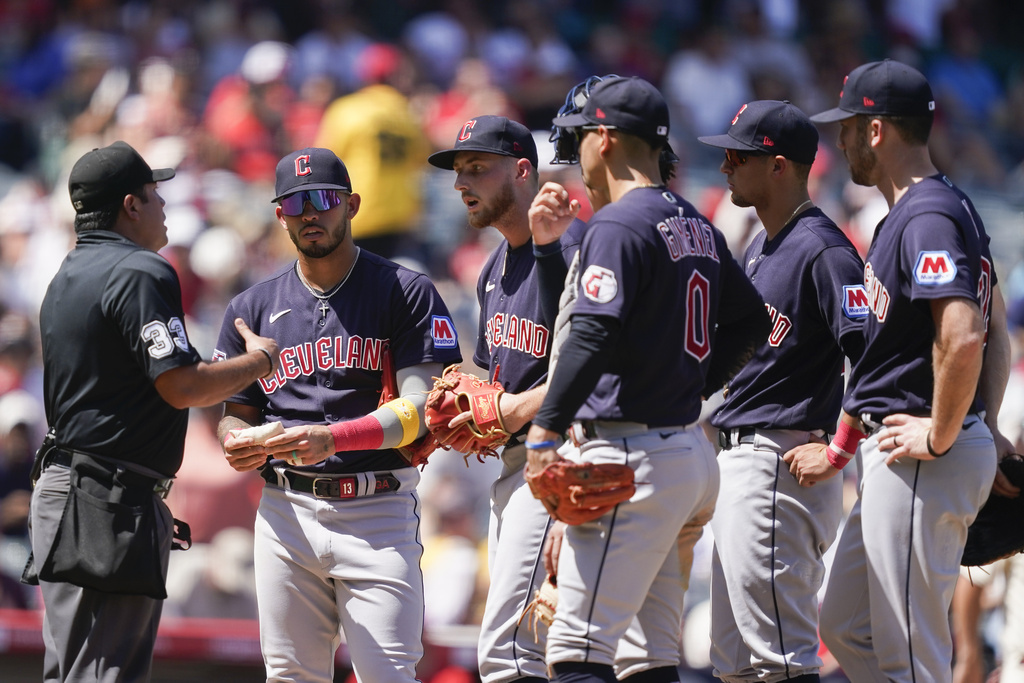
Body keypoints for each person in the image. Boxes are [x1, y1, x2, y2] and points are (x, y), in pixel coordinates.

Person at [524, 76, 772, 683]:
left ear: (604, 138)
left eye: (582, 137)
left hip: (631, 454)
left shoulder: (616, 224)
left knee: (577, 649)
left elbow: (588, 334)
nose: (577, 152)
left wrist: (545, 430)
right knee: (648, 655)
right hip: (686, 456)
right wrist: (690, 386)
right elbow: (753, 322)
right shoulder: (695, 222)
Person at [784, 59, 1015, 682]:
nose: (843, 140)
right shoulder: (927, 212)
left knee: (911, 658)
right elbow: (992, 330)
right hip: (915, 447)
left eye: (850, 127)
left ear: (877, 131)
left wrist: (947, 432)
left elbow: (966, 335)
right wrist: (983, 422)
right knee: (848, 627)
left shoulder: (928, 215)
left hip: (921, 454)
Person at [31, 140, 280, 682]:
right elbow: (181, 386)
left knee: (72, 673)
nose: (164, 204)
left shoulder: (66, 275)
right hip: (105, 501)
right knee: (105, 675)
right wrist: (260, 362)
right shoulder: (141, 270)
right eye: (154, 192)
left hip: (71, 492)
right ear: (130, 205)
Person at [216, 146, 462, 683]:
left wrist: (336, 437)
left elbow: (420, 409)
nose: (310, 213)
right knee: (289, 676)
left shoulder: (405, 290)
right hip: (286, 510)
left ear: (351, 204)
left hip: (377, 509)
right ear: (279, 213)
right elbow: (235, 413)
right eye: (296, 202)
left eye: (324, 199)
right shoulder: (251, 307)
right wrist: (237, 439)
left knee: (389, 675)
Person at [696, 100, 866, 683]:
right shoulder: (760, 246)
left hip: (778, 460)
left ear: (780, 166)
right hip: (743, 460)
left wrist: (840, 449)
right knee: (736, 664)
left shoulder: (824, 250)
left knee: (781, 662)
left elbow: (871, 357)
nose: (725, 167)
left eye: (738, 155)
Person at [427, 114, 586, 683]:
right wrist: (474, 406)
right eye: (458, 171)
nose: (461, 184)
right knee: (552, 648)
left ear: (523, 171)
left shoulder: (573, 252)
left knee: (508, 655)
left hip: (564, 458)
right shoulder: (492, 267)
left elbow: (593, 367)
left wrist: (511, 409)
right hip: (514, 468)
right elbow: (500, 384)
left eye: (477, 169)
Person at [315, 42, 431, 263]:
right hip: (400, 219)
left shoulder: (347, 109)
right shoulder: (407, 113)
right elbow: (422, 160)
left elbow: (322, 164)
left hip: (355, 216)